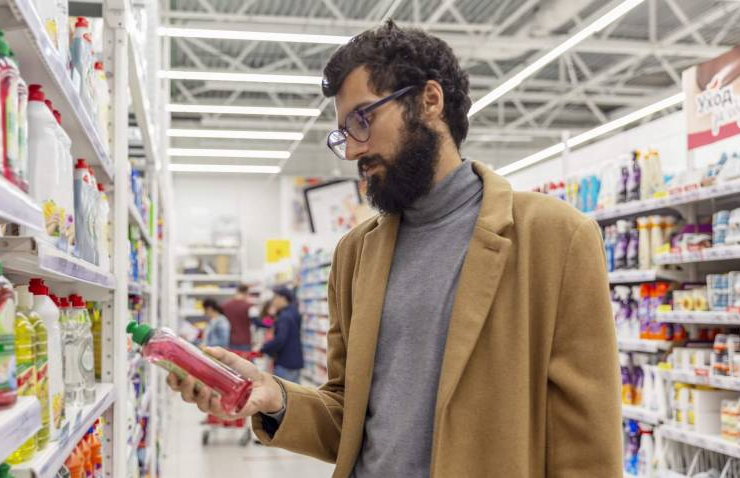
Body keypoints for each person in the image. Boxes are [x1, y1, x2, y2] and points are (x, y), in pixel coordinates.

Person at [167, 20, 621, 477]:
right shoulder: (355, 255)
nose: (352, 151)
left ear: (429, 101)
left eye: (363, 119)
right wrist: (274, 397)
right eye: (345, 132)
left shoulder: (555, 238)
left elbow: (587, 449)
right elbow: (348, 414)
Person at [257, 287, 303, 383]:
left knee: (284, 394)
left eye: (275, 298)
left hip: (285, 361)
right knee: (295, 394)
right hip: (295, 360)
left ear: (282, 298)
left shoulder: (284, 316)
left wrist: (263, 348)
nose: (273, 301)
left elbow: (280, 339)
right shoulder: (294, 312)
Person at [221, 284, 253, 351]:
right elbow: (258, 322)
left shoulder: (225, 305)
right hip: (245, 340)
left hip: (230, 340)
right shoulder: (249, 306)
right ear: (246, 293)